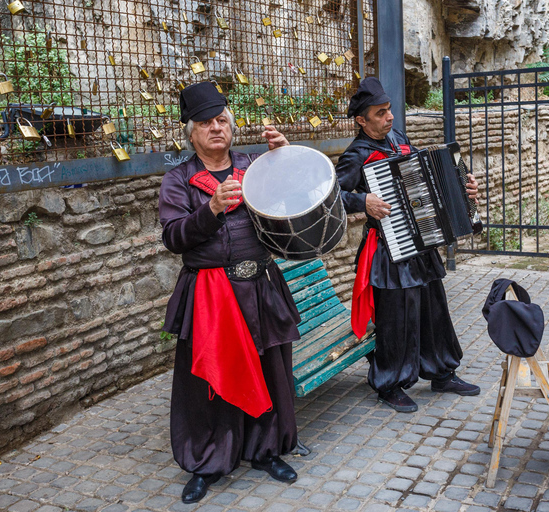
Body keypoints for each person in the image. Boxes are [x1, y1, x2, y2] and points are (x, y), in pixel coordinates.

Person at [159, 82, 302, 504]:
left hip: (259, 285)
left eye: (222, 120)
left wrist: (285, 159)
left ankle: (266, 450)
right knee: (208, 383)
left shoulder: (254, 165)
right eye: (205, 123)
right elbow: (173, 237)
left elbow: (292, 202)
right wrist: (211, 209)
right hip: (210, 295)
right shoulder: (178, 180)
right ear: (191, 132)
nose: (216, 128)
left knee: (270, 371)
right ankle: (207, 460)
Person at [335, 77, 481, 413]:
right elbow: (331, 197)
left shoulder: (398, 139)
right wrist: (363, 202)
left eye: (389, 110)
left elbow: (431, 173)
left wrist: (463, 185)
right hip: (387, 249)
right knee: (396, 319)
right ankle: (390, 384)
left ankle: (442, 372)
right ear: (362, 120)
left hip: (421, 243)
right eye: (380, 113)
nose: (389, 117)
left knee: (434, 309)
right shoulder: (356, 155)